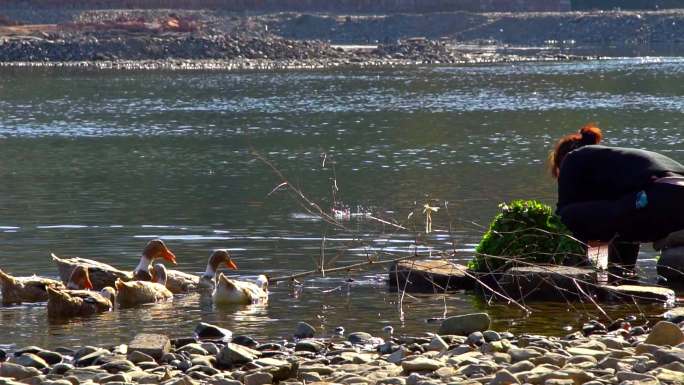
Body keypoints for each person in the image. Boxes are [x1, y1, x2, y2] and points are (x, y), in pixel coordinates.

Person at [549, 123, 684, 269]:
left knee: (568, 214)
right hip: (670, 201)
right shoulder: (614, 162)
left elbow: (560, 219)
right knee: (623, 216)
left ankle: (577, 270)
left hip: (660, 198)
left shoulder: (572, 158)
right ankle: (623, 272)